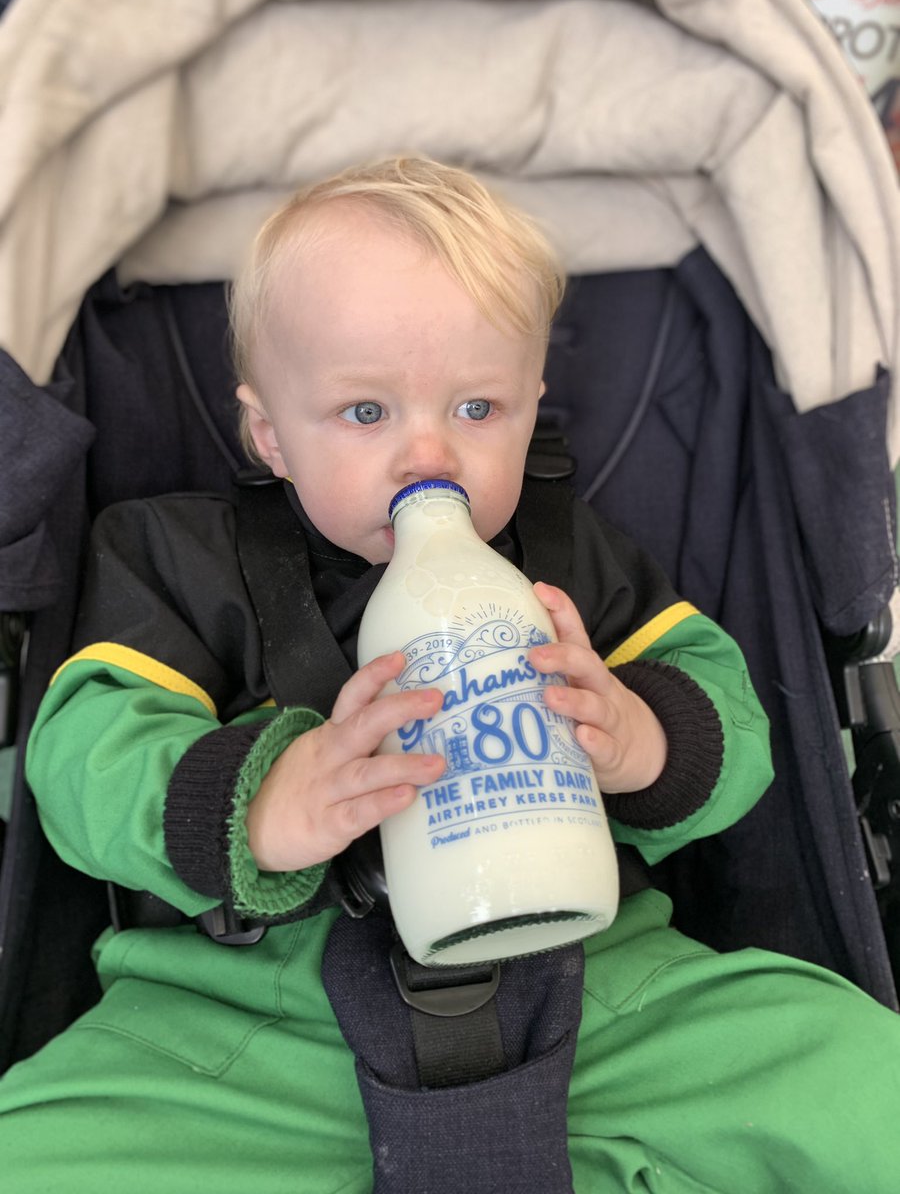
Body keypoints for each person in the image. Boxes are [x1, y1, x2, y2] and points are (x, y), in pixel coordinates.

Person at [1, 155, 899, 1193]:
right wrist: (258, 806)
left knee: (860, 1079)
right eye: (367, 413)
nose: (428, 453)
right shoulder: (172, 559)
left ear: (532, 407)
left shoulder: (571, 564)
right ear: (270, 434)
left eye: (478, 410)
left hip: (607, 991)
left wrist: (641, 737)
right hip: (248, 1025)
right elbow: (80, 758)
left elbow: (731, 716)